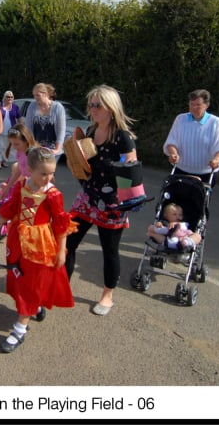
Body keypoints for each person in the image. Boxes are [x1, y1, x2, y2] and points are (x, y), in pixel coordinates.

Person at [0, 147, 76, 353]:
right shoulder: (21, 186)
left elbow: (61, 225)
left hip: (39, 244)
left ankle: (19, 330)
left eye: (51, 173)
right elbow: (10, 210)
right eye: (43, 173)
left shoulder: (53, 194)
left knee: (31, 282)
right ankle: (36, 305)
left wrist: (62, 251)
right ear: (30, 171)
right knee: (19, 277)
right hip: (17, 239)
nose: (48, 177)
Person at [65, 84, 138, 316]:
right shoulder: (89, 132)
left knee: (110, 251)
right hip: (86, 198)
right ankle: (61, 286)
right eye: (91, 105)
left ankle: (107, 295)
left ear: (111, 107)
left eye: (98, 105)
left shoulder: (123, 138)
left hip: (112, 203)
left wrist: (125, 202)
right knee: (68, 242)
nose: (92, 109)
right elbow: (84, 166)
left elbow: (131, 174)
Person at [163, 89, 219, 186]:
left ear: (206, 105)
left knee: (198, 200)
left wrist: (216, 160)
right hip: (181, 170)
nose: (194, 108)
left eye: (198, 105)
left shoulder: (216, 123)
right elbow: (172, 141)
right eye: (192, 104)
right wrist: (173, 154)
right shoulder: (180, 119)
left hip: (206, 173)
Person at [24, 82, 66, 159]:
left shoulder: (58, 107)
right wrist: (32, 145)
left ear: (45, 94)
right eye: (34, 95)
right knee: (36, 170)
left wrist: (57, 149)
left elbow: (61, 130)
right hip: (36, 148)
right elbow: (28, 128)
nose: (35, 98)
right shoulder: (32, 106)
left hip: (52, 150)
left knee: (48, 170)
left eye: (37, 95)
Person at [0, 123, 37, 202]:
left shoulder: (34, 154)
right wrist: (8, 187)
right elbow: (19, 171)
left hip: (33, 189)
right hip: (23, 186)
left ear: (26, 140)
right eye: (12, 144)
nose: (14, 147)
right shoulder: (19, 153)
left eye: (17, 144)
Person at [0, 90, 22, 169]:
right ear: (4, 97)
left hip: (11, 131)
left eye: (11, 97)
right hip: (0, 129)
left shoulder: (15, 107)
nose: (10, 98)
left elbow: (19, 118)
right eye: (8, 97)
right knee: (0, 146)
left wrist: (21, 128)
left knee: (8, 146)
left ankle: (4, 160)